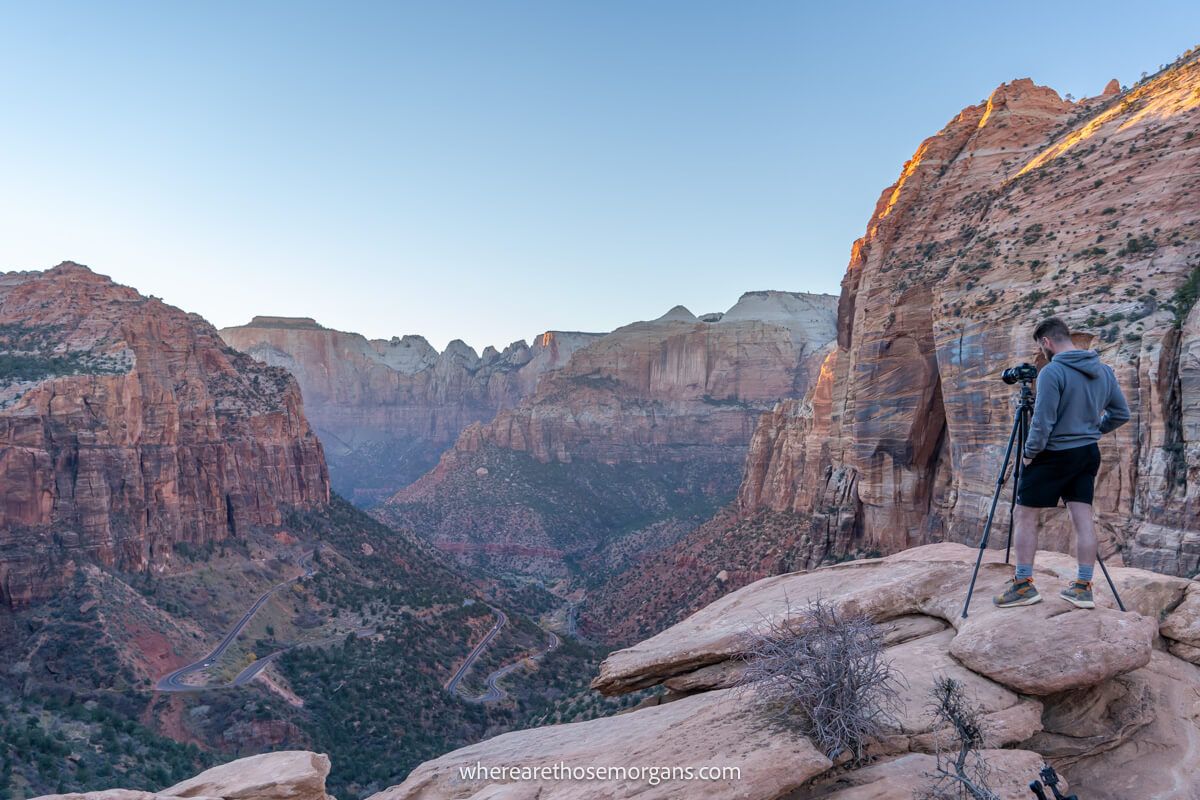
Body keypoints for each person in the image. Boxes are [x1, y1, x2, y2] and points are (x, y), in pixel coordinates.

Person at [993, 317, 1130, 609]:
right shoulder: (1104, 371)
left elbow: (1042, 422)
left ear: (1047, 342)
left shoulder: (1052, 372)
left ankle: (1023, 585)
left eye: (1041, 348)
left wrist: (1030, 453)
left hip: (1054, 454)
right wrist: (1093, 431)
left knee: (1025, 514)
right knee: (1083, 518)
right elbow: (1120, 413)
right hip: (1087, 452)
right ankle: (1083, 586)